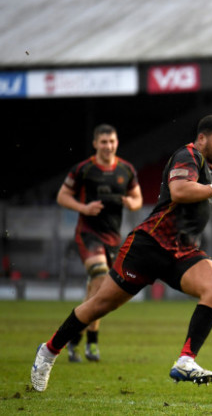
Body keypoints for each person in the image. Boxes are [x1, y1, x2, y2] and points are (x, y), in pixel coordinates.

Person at [31, 115, 212, 392]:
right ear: (202, 138)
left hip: (182, 249)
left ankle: (186, 361)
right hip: (149, 245)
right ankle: (48, 351)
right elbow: (178, 191)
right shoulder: (188, 155)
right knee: (99, 305)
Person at [56, 124, 142, 363]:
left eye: (112, 141)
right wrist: (84, 208)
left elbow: (138, 200)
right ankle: (88, 344)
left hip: (113, 238)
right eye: (103, 142)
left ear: (117, 142)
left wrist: (128, 202)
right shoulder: (84, 169)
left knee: (100, 292)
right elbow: (62, 196)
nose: (108, 146)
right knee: (101, 277)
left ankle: (78, 342)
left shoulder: (126, 169)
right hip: (88, 233)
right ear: (95, 144)